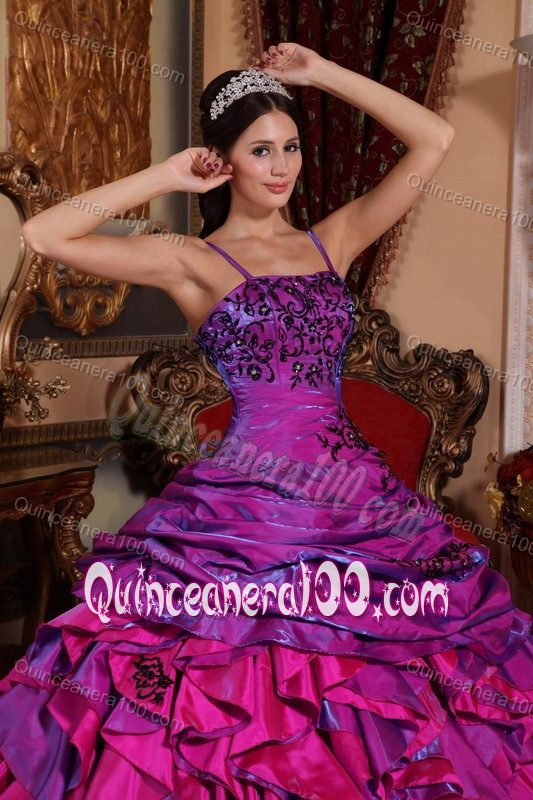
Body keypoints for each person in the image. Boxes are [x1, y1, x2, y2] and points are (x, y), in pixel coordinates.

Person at [0, 41, 531, 800]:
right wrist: (166, 176)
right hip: (247, 498)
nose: (281, 168)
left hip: (354, 496)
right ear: (225, 160)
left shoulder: (331, 240)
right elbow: (44, 235)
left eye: (291, 147)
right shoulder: (190, 259)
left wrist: (321, 74)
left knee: (382, 665)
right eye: (260, 151)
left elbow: (434, 139)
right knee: (240, 667)